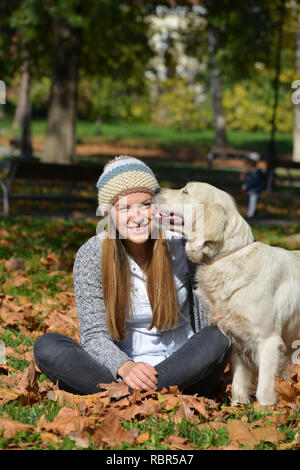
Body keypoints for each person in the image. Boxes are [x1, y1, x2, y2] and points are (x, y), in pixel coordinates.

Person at [33, 155, 231, 398]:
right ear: (108, 213)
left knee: (218, 336)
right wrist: (126, 367)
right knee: (48, 346)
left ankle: (129, 397)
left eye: (146, 205)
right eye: (125, 207)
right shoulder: (92, 255)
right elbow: (94, 336)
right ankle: (145, 395)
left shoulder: (182, 245)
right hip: (121, 373)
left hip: (185, 371)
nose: (137, 217)